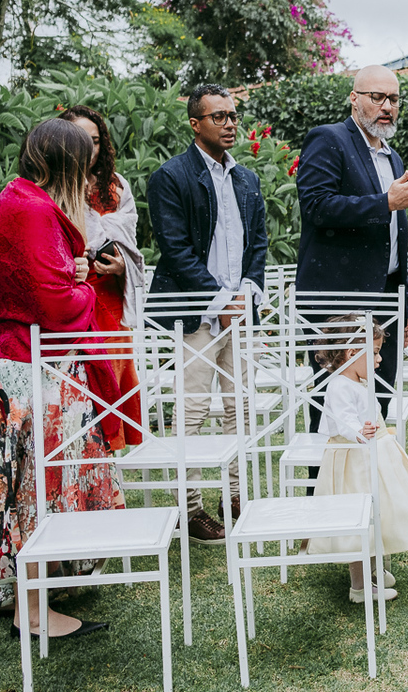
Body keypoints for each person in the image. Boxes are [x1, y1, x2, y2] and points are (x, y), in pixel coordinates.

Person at [0, 118, 122, 637]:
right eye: (84, 166)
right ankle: (32, 613)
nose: (87, 180)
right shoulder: (35, 211)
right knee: (41, 480)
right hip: (40, 363)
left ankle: (34, 597)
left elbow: (38, 281)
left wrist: (73, 271)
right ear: (67, 162)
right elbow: (57, 305)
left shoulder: (11, 202)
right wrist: (82, 286)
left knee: (26, 477)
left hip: (20, 356)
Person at [147, 83, 268, 543]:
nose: (230, 122)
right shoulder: (171, 177)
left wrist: (247, 294)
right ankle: (190, 507)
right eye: (219, 116)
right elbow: (175, 251)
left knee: (240, 405)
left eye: (233, 115)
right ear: (195, 124)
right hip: (194, 314)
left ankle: (235, 498)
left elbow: (258, 244)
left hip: (239, 312)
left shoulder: (247, 179)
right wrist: (222, 301)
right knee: (193, 409)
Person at [296, 65, 408, 420]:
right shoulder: (328, 139)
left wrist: (406, 308)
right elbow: (316, 207)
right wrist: (385, 202)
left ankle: (370, 476)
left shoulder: (393, 156)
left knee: (379, 402)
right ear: (354, 99)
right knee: (334, 407)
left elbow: (395, 242)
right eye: (377, 97)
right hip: (339, 300)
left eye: (394, 99)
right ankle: (324, 478)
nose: (387, 105)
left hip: (385, 300)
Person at [306, 314, 408, 602]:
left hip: (372, 455)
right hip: (354, 462)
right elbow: (342, 422)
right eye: (375, 353)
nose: (379, 360)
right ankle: (360, 586)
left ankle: (375, 568)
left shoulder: (356, 380)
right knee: (361, 521)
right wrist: (359, 432)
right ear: (352, 353)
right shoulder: (340, 385)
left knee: (381, 514)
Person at [60, 105, 145, 451]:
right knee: (85, 377)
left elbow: (130, 238)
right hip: (76, 294)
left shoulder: (115, 185)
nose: (89, 149)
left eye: (95, 141)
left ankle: (109, 456)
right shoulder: (57, 188)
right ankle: (86, 451)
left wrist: (123, 265)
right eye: (81, 140)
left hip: (111, 293)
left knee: (115, 371)